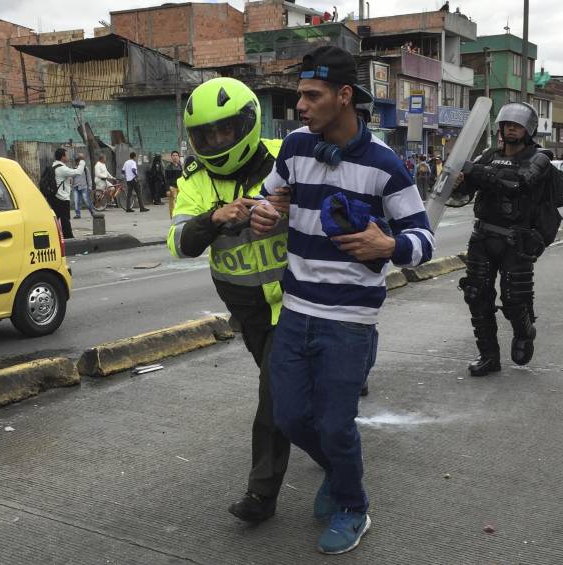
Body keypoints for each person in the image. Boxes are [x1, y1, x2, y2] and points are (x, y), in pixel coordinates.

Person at [251, 45, 434, 555]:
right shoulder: (293, 149)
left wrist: (389, 245)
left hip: (350, 321)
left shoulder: (386, 167)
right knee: (289, 418)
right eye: (299, 96)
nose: (301, 106)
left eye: (312, 95)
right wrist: (266, 213)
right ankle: (339, 468)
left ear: (344, 95)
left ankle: (354, 506)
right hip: (295, 309)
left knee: (334, 423)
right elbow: (273, 198)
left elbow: (423, 241)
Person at [166, 77, 292, 525]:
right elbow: (179, 243)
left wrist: (291, 204)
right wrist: (214, 218)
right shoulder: (195, 182)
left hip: (296, 298)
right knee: (293, 397)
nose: (217, 141)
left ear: (249, 123)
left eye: (226, 130)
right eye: (207, 135)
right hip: (248, 307)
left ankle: (262, 495)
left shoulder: (286, 155)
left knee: (273, 395)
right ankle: (329, 426)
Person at [453, 102, 552, 377]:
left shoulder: (539, 158)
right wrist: (459, 178)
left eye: (517, 125)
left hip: (516, 241)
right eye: (507, 124)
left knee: (514, 301)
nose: (510, 128)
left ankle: (524, 332)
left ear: (528, 130)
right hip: (483, 235)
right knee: (476, 295)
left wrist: (476, 171)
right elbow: (465, 191)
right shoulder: (489, 155)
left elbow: (517, 184)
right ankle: (488, 356)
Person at [52, 148, 86, 239]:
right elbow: (78, 172)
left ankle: (54, 237)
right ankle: (69, 237)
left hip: (55, 197)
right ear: (63, 157)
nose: (68, 157)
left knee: (55, 219)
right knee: (65, 219)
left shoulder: (54, 166)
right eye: (66, 155)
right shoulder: (61, 168)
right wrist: (82, 161)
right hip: (62, 198)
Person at [71, 153, 94, 219]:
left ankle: (92, 211)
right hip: (75, 187)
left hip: (84, 187)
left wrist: (90, 186)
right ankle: (78, 214)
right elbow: (72, 178)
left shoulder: (85, 168)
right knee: (76, 201)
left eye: (78, 160)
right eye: (76, 161)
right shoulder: (74, 169)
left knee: (86, 200)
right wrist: (71, 186)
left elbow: (89, 177)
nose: (77, 162)